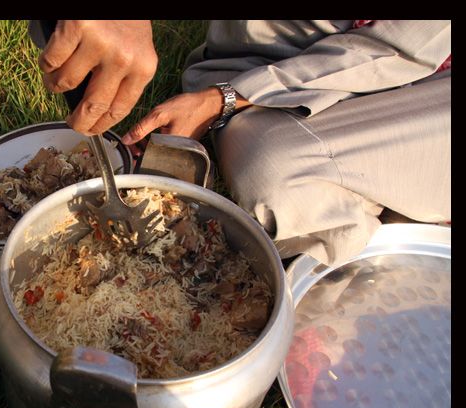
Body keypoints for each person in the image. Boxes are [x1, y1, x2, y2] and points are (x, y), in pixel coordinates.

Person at [30, 20, 451, 266]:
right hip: (272, 63)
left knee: (273, 171)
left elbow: (396, 49)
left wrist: (227, 98)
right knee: (259, 157)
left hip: (429, 82)